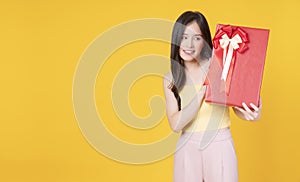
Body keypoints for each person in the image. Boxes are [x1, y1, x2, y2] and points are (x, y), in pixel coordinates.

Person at [163, 11, 262, 182]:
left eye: (197, 38)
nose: (189, 44)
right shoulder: (171, 78)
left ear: (205, 42)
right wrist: (203, 92)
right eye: (184, 37)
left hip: (219, 143)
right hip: (187, 147)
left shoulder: (219, 67)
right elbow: (176, 123)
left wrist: (252, 110)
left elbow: (237, 103)